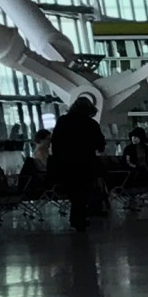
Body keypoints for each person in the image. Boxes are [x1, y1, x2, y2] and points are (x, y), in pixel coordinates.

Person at [50, 95, 107, 230]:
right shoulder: (91, 124)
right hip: (85, 163)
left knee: (73, 191)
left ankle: (77, 217)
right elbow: (100, 144)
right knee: (82, 191)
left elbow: (56, 143)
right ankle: (79, 218)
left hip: (66, 164)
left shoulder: (63, 121)